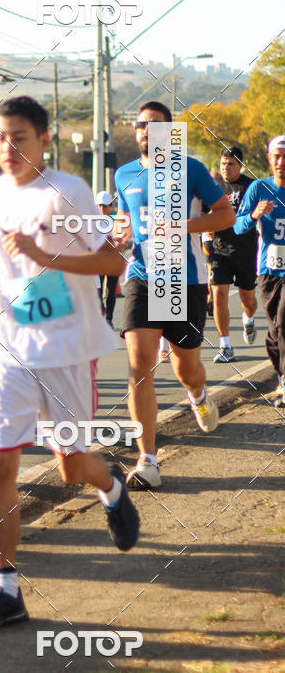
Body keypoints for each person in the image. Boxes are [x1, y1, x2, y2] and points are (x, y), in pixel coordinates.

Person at [0, 96, 139, 633]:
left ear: (43, 140)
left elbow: (113, 259)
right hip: (11, 349)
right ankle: (5, 588)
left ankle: (109, 484)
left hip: (66, 347)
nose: (7, 147)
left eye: (18, 136)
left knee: (70, 467)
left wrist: (46, 258)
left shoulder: (69, 190)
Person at [114, 102, 235, 490]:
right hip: (142, 275)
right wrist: (119, 234)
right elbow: (126, 221)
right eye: (140, 125)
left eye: (155, 125)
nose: (146, 130)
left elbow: (225, 214)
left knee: (186, 368)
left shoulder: (191, 169)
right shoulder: (124, 174)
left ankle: (198, 392)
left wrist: (185, 225)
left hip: (183, 280)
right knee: (140, 365)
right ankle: (147, 459)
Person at [234, 135, 285, 408]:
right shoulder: (258, 188)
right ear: (269, 159)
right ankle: (281, 375)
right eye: (276, 157)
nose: (281, 162)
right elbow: (238, 226)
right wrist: (254, 214)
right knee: (275, 330)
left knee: (284, 320)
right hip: (268, 270)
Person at [205, 147, 258, 363]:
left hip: (246, 251)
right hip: (219, 250)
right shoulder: (214, 187)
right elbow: (204, 213)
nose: (226, 168)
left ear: (240, 166)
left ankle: (249, 318)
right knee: (218, 295)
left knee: (248, 299)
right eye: (223, 163)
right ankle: (225, 345)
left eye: (231, 164)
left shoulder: (250, 187)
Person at [96, 190, 119, 328]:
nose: (102, 209)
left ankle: (109, 319)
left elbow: (122, 239)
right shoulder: (91, 220)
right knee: (97, 290)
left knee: (111, 290)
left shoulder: (117, 220)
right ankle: (100, 307)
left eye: (104, 206)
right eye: (99, 206)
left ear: (110, 206)